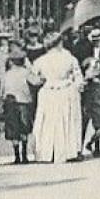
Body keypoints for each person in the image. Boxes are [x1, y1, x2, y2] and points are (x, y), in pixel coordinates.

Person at [30, 35, 85, 163]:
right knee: (66, 120)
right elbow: (78, 78)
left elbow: (32, 77)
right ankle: (68, 151)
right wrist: (77, 87)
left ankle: (46, 152)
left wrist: (41, 81)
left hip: (48, 92)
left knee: (48, 121)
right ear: (60, 43)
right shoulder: (70, 58)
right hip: (65, 91)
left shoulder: (40, 60)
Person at [0, 50, 42, 164]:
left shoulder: (6, 74)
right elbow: (37, 82)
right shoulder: (26, 72)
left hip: (9, 103)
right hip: (24, 102)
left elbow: (1, 90)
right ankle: (24, 155)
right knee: (24, 128)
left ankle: (16, 156)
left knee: (13, 129)